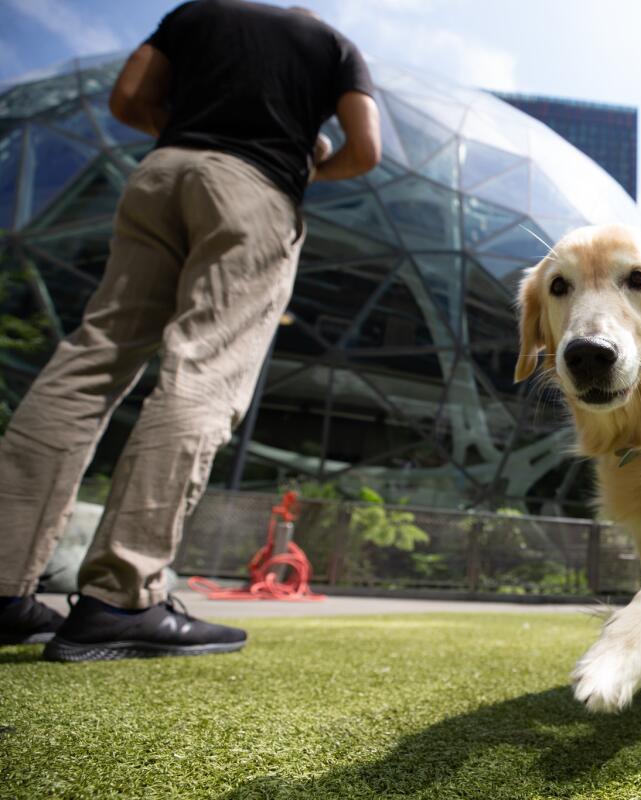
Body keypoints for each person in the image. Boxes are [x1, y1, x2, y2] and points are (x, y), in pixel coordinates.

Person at [0, 0, 381, 660]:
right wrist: (307, 162)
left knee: (91, 357)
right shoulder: (334, 46)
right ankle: (122, 596)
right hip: (252, 190)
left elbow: (128, 97)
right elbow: (366, 149)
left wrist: (186, 128)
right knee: (202, 371)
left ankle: (4, 588)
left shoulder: (195, 16)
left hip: (160, 175)